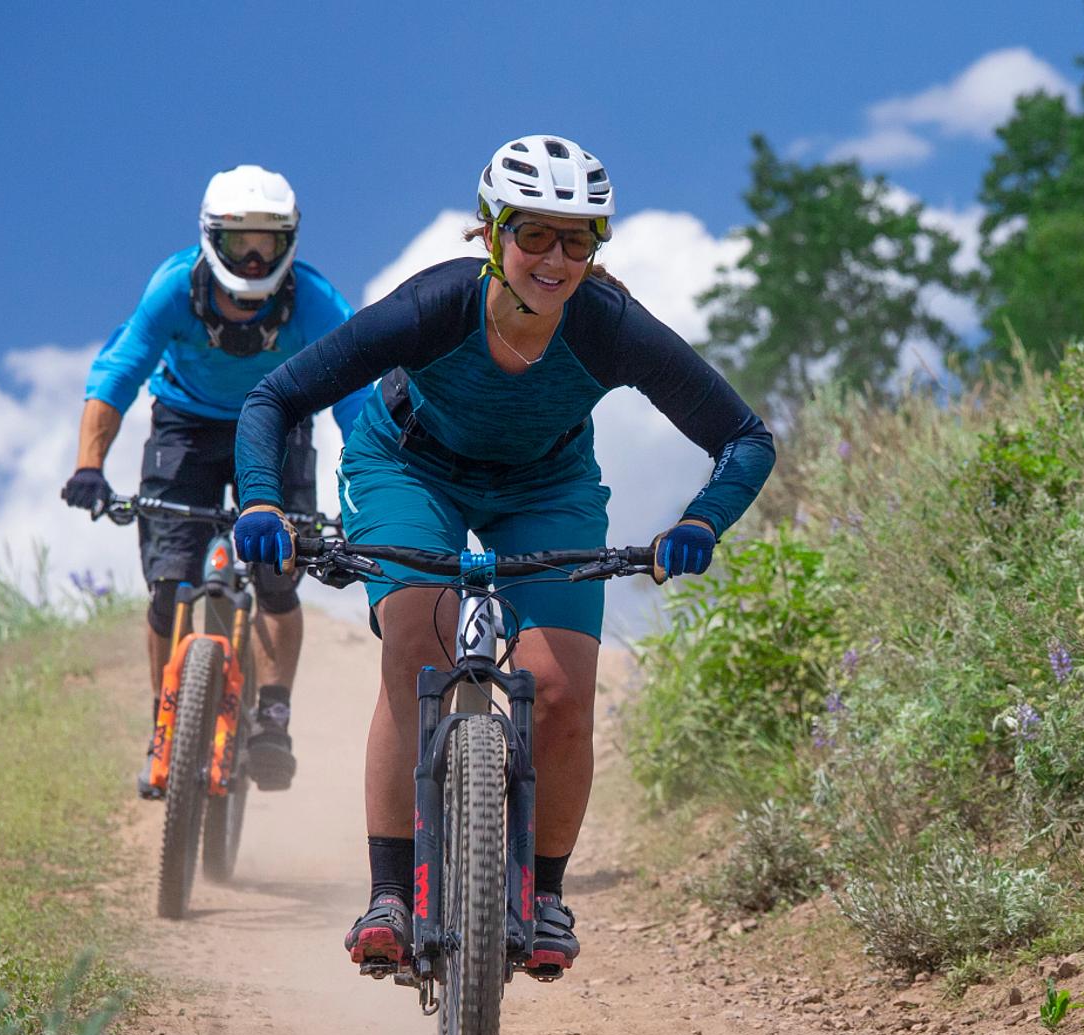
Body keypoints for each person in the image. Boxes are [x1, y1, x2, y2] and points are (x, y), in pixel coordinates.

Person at [230, 135, 774, 978]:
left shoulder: (609, 327)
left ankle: (544, 896)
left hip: (545, 486)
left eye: (578, 239)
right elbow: (275, 396)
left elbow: (744, 438)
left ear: (597, 247)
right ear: (490, 233)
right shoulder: (434, 307)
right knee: (417, 644)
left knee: (558, 691)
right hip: (409, 466)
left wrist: (700, 523)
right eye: (533, 234)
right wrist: (263, 498)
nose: (554, 258)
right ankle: (391, 895)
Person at [66, 165, 369, 795]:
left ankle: (274, 717)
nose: (254, 258)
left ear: (290, 242)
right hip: (185, 426)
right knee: (167, 583)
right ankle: (164, 722)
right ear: (212, 239)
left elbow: (357, 402)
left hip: (279, 424)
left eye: (267, 241)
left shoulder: (315, 303)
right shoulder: (174, 290)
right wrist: (89, 467)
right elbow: (117, 374)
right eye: (239, 242)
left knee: (278, 573)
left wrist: (374, 495)